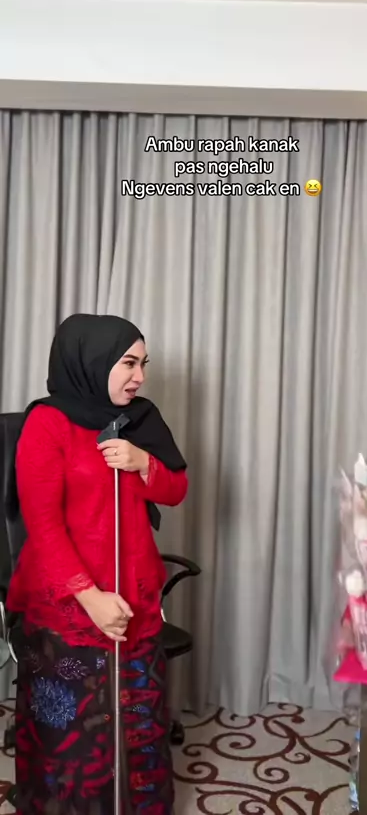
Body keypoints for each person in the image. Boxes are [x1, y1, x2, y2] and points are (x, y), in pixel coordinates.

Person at [5, 313, 188, 815]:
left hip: (135, 598)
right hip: (69, 605)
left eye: (143, 364)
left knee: (139, 725)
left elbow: (176, 489)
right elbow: (43, 528)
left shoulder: (140, 421)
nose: (140, 377)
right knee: (73, 737)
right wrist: (90, 599)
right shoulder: (46, 424)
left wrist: (142, 462)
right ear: (92, 361)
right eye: (129, 363)